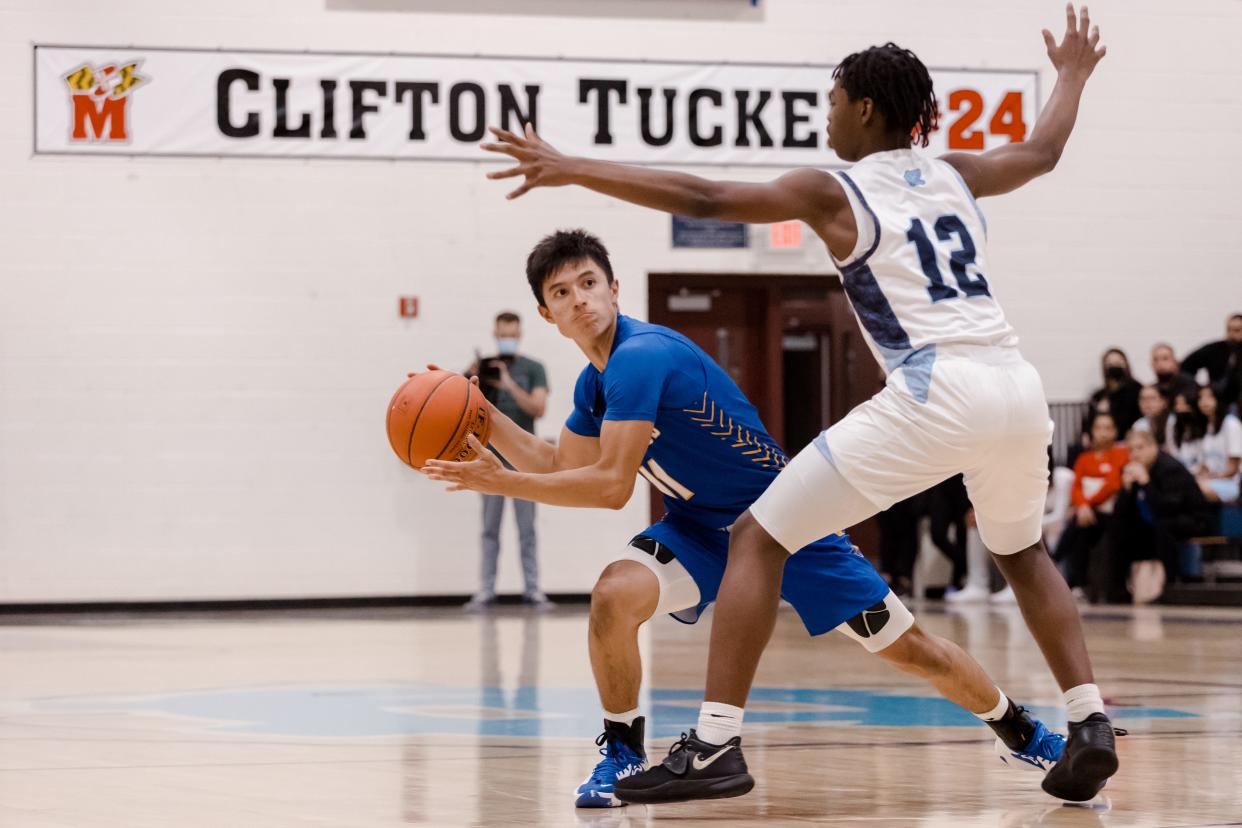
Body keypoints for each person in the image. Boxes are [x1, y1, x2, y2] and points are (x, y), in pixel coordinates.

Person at [481, 4, 1115, 803]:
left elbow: (704, 196)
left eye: (831, 99)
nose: (825, 115)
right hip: (1014, 386)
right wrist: (1072, 75)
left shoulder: (836, 190)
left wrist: (574, 166)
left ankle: (718, 747)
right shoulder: (956, 172)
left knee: (777, 548)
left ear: (864, 109)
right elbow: (1043, 150)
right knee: (1022, 553)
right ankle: (1087, 719)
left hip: (933, 389)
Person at [424, 230, 1066, 808]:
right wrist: (481, 412)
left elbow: (609, 488)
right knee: (614, 595)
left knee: (912, 651)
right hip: (700, 529)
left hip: (782, 525)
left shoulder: (640, 356)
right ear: (547, 313)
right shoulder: (594, 384)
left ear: (614, 288)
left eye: (589, 283)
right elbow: (560, 461)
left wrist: (499, 480)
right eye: (562, 292)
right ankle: (622, 751)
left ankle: (1020, 729)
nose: (580, 299)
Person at [462, 311, 551, 611]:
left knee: (527, 529)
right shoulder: (483, 369)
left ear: (520, 334)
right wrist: (471, 376)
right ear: (494, 333)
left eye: (512, 335)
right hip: (488, 461)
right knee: (489, 530)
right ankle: (485, 591)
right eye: (503, 335)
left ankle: (533, 590)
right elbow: (461, 407)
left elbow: (538, 407)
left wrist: (509, 384)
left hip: (525, 463)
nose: (507, 340)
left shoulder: (534, 368)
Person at [1111, 429, 1216, 594]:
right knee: (1119, 527)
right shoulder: (1135, 469)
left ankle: (1169, 585)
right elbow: (1120, 513)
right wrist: (1126, 489)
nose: (1135, 454)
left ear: (1153, 447)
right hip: (1159, 519)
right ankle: (1118, 589)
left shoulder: (1169, 468)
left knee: (1163, 526)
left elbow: (1168, 508)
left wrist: (1146, 482)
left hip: (1194, 520)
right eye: (1131, 450)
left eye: (1140, 448)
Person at [1053, 413, 1127, 600]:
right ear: (1092, 431)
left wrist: (1087, 504)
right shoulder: (1084, 458)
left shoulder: (1120, 454)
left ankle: (1055, 560)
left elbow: (1113, 484)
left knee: (1079, 524)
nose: (1103, 433)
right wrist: (1083, 506)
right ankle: (1078, 584)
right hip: (1087, 514)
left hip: (1111, 514)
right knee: (1081, 530)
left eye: (1108, 428)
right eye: (1099, 428)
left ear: (1115, 431)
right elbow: (1076, 486)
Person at [1191, 385, 1242, 504]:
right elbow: (1205, 464)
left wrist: (1209, 478)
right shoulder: (1207, 427)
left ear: (1219, 399)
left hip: (1232, 483)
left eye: (1209, 397)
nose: (1204, 402)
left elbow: (1232, 470)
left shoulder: (1231, 424)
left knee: (1196, 489)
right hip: (1211, 479)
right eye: (1201, 398)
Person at [1181, 313, 1242, 409]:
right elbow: (1186, 366)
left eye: (1237, 330)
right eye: (1229, 330)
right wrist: (1198, 389)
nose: (1232, 334)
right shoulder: (1215, 349)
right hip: (1217, 401)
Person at [1082, 348, 1141, 440]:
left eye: (1118, 363)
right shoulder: (1098, 395)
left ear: (1126, 364)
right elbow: (1088, 421)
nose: (1114, 366)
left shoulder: (1137, 390)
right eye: (1110, 364)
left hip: (1127, 439)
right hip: (1101, 441)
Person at [1151, 343, 1199, 409]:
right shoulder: (1153, 389)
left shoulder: (1188, 385)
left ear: (1175, 362)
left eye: (1165, 359)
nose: (1160, 363)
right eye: (1155, 360)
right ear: (1152, 364)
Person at [1132, 383, 1172, 450]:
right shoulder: (1138, 425)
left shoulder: (1173, 422)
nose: (1147, 403)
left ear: (1164, 401)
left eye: (1152, 398)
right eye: (1142, 399)